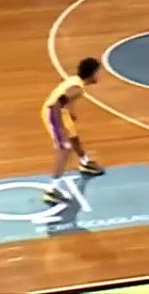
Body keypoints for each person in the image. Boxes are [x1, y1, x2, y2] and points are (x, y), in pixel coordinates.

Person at [42, 57, 106, 204]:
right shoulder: (76, 89)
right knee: (64, 149)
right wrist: (60, 129)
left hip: (61, 112)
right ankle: (52, 190)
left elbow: (63, 99)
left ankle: (85, 162)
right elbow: (55, 105)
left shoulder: (76, 81)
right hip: (53, 114)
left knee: (74, 137)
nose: (99, 75)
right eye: (97, 72)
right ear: (92, 74)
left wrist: (70, 113)